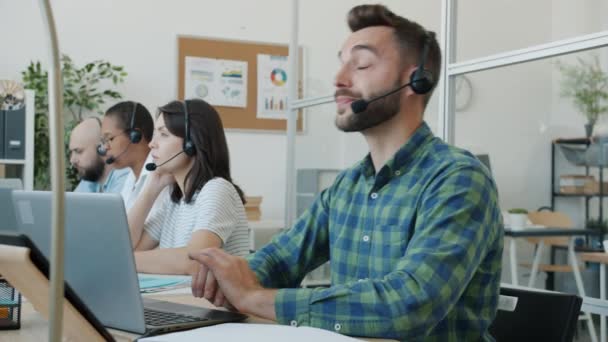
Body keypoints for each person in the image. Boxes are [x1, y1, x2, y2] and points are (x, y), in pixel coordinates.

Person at [188, 4, 503, 341]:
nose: (339, 79)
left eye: (362, 64)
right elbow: (281, 257)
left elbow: (411, 303)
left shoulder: (458, 178)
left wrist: (254, 297)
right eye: (341, 62)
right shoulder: (348, 185)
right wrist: (229, 276)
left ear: (415, 80)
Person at [128, 99, 250, 275]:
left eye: (163, 134)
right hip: (181, 299)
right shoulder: (174, 201)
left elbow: (195, 260)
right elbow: (129, 246)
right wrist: (151, 189)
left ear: (191, 143)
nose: (151, 144)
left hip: (209, 303)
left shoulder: (217, 190)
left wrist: (127, 258)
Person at [100, 101, 155, 210]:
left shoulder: (158, 176)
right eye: (103, 141)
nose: (105, 147)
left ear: (135, 136)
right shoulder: (130, 177)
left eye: (110, 139)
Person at [69, 117, 129, 193]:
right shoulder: (90, 178)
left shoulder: (125, 177)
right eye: (71, 152)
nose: (72, 160)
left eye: (78, 151)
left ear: (102, 148)